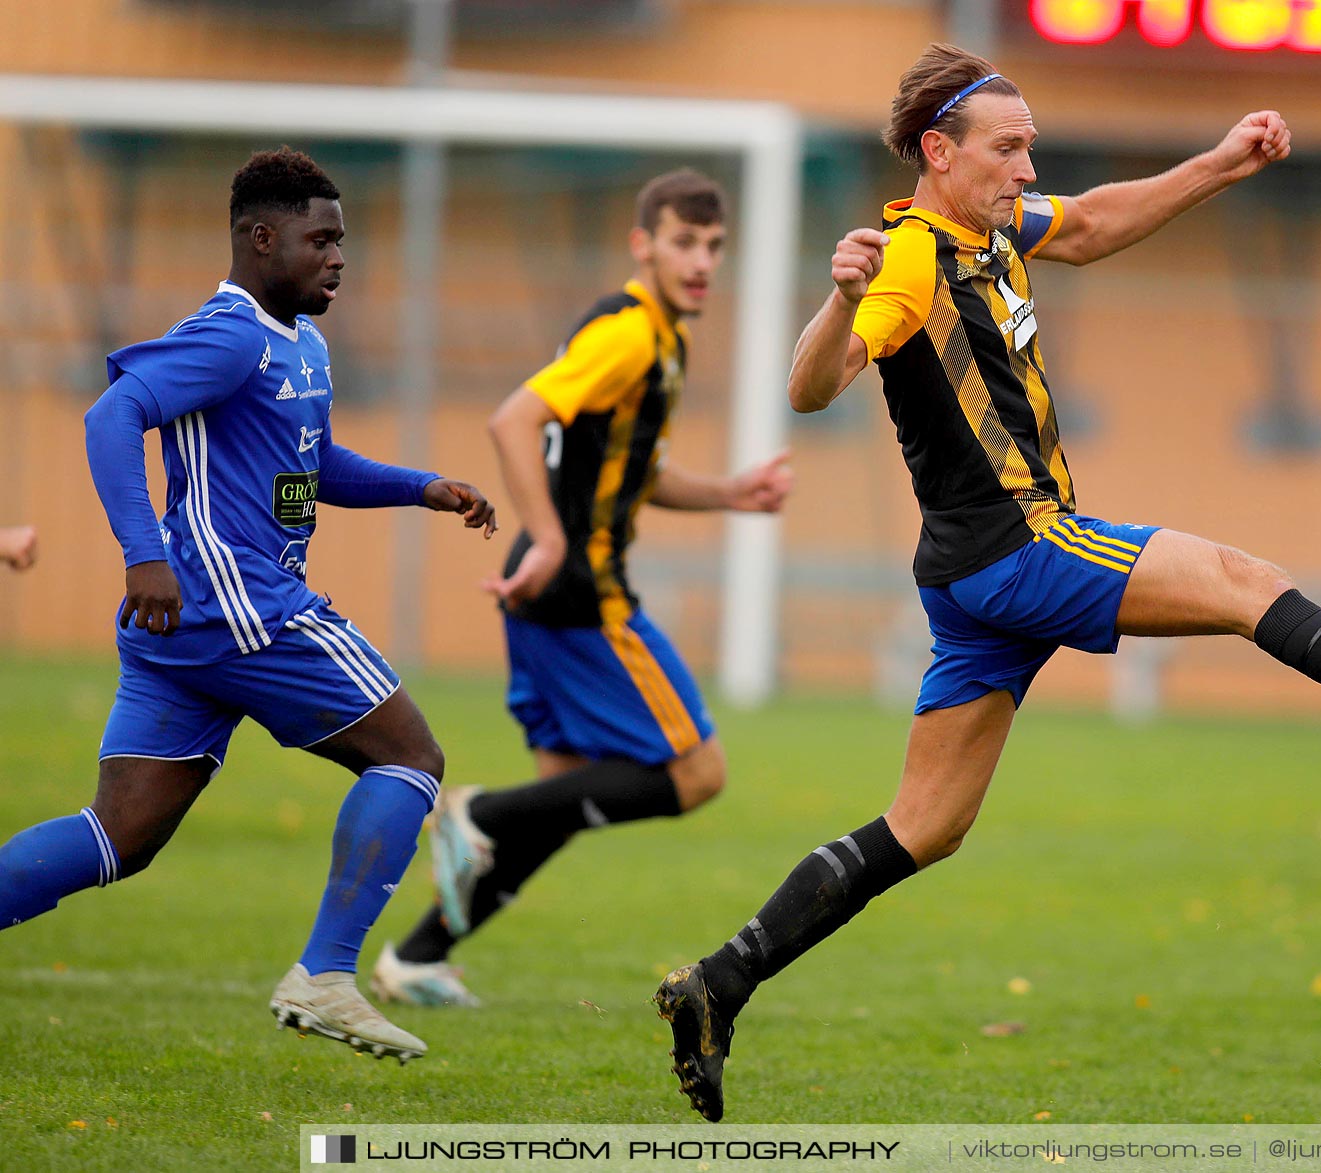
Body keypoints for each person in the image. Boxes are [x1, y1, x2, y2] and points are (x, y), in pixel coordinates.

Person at [652, 43, 1321, 1122]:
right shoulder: (909, 261)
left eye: (1030, 147)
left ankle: (720, 984)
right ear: (938, 151)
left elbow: (1092, 224)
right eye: (1008, 149)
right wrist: (839, 299)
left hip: (970, 573)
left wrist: (1222, 162)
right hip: (1018, 545)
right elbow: (812, 389)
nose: (1024, 165)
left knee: (926, 824)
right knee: (1246, 581)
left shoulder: (994, 226)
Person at [0, 147, 498, 1064]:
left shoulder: (300, 340)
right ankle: (326, 973)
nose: (339, 257)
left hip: (190, 630)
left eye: (342, 239)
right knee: (412, 756)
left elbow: (315, 467)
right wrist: (143, 552)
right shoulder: (230, 334)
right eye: (321, 239)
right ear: (261, 238)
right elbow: (111, 416)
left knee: (122, 832)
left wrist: (422, 487)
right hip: (243, 609)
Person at [371, 169, 792, 1008]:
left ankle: (415, 957)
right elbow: (513, 419)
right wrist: (559, 538)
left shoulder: (658, 336)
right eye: (683, 242)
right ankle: (478, 814)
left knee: (559, 797)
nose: (702, 260)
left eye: (713, 246)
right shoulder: (633, 333)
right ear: (643, 245)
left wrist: (727, 493)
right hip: (580, 586)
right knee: (697, 771)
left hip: (544, 587)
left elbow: (628, 469)